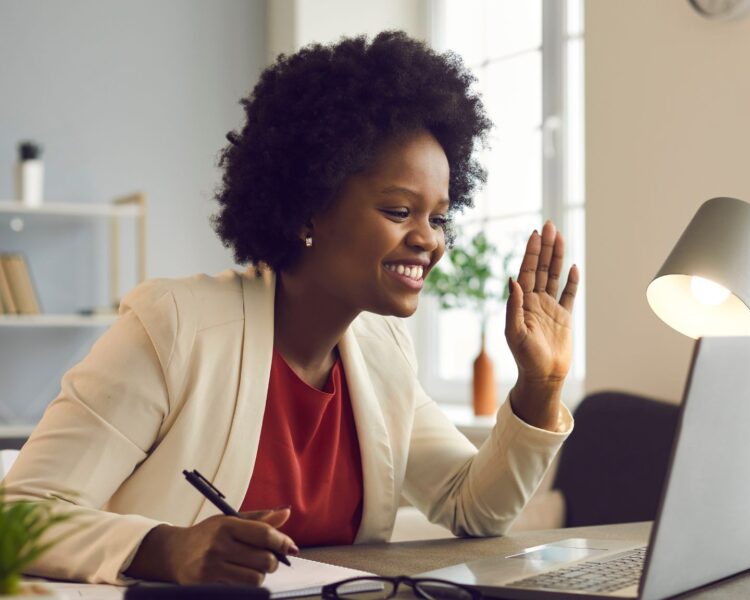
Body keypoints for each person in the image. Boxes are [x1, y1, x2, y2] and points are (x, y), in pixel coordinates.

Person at [2, 31, 579, 586]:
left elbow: (472, 507)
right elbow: (17, 516)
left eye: (439, 217)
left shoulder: (383, 354)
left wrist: (540, 384)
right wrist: (165, 548)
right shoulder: (176, 328)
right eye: (400, 210)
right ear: (309, 209)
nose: (429, 239)